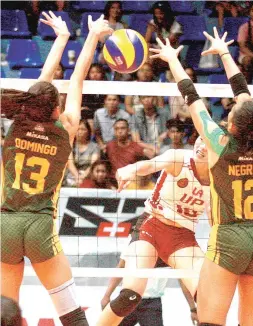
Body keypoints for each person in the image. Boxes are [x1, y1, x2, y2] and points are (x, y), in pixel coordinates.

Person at [150, 27, 253, 326]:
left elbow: (191, 97)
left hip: (228, 237)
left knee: (209, 321)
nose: (227, 112)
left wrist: (171, 59)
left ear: (232, 126)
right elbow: (245, 98)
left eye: (229, 114)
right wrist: (224, 53)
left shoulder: (219, 144)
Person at [1, 12, 113, 325]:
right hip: (39, 225)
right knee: (71, 313)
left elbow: (42, 82)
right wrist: (90, 35)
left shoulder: (17, 125)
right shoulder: (66, 128)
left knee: (5, 314)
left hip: (6, 224)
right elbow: (77, 78)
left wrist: (60, 37)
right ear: (56, 108)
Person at [96, 135, 210, 326]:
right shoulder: (179, 158)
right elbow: (149, 165)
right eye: (200, 139)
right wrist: (130, 169)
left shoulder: (219, 176)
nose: (202, 146)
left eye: (209, 142)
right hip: (152, 226)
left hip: (183, 238)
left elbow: (215, 217)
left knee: (209, 299)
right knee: (129, 297)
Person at [101, 215, 199, 326]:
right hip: (128, 298)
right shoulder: (136, 241)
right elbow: (120, 268)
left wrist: (193, 309)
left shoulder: (172, 245)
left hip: (151, 303)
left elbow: (183, 280)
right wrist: (106, 296)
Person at [64, 119, 100, 187]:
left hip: (88, 176)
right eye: (78, 129)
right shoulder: (70, 145)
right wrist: (77, 177)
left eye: (83, 129)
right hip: (71, 175)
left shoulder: (94, 146)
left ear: (88, 131)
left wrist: (82, 177)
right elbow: (70, 164)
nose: (80, 132)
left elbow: (93, 165)